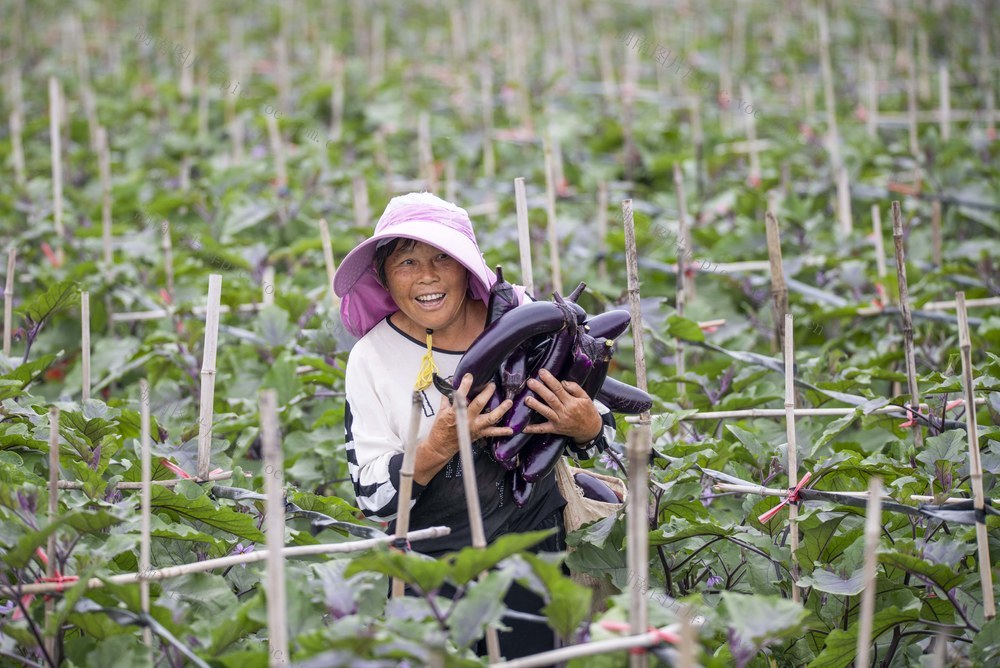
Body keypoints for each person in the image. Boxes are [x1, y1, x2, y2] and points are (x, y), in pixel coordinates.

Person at [333, 192, 616, 660]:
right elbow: (372, 496)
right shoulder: (372, 358)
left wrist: (585, 424)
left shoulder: (527, 322)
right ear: (384, 277)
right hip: (435, 566)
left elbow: (601, 433)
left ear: (468, 268)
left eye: (443, 257)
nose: (427, 275)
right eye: (407, 262)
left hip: (540, 556)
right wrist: (437, 444)